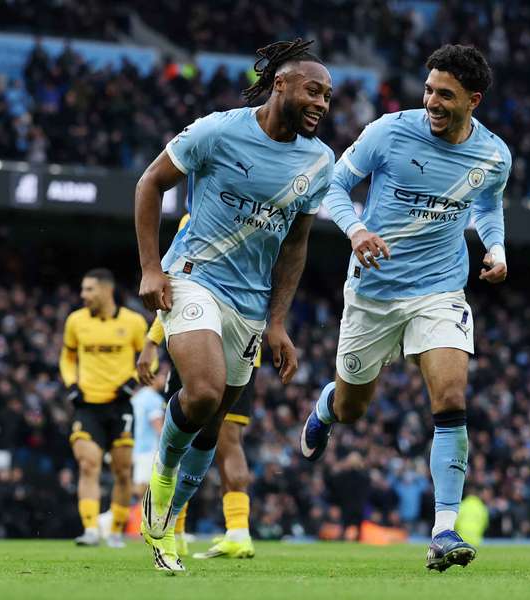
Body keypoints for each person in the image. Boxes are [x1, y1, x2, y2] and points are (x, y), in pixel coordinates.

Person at [300, 44, 510, 572]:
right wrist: (356, 229)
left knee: (451, 397)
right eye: (429, 90)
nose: (432, 101)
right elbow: (334, 186)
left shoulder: (494, 156)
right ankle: (328, 405)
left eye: (446, 95)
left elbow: (487, 205)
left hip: (440, 290)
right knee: (354, 409)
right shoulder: (389, 132)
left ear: (473, 100)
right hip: (373, 291)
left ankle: (443, 530)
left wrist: (496, 247)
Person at [134, 38, 334, 572]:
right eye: (313, 90)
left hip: (249, 306)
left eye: (329, 97)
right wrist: (152, 268)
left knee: (214, 420)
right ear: (280, 85)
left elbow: (295, 245)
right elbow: (151, 183)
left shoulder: (319, 161)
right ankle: (158, 490)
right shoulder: (218, 130)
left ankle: (169, 515)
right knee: (201, 394)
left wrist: (278, 323)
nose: (321, 103)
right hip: (195, 279)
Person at [137, 305, 259, 560]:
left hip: (198, 343)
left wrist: (151, 341)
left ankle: (175, 531)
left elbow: (179, 291)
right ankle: (238, 532)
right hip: (245, 347)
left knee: (182, 433)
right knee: (230, 441)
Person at [58, 268, 148, 548]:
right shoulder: (75, 321)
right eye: (83, 289)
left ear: (106, 290)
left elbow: (149, 359)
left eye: (89, 290)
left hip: (119, 405)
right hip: (87, 405)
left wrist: (133, 383)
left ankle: (116, 531)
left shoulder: (133, 322)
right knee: (88, 465)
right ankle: (91, 528)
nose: (83, 295)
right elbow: (67, 357)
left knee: (122, 472)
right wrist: (71, 383)